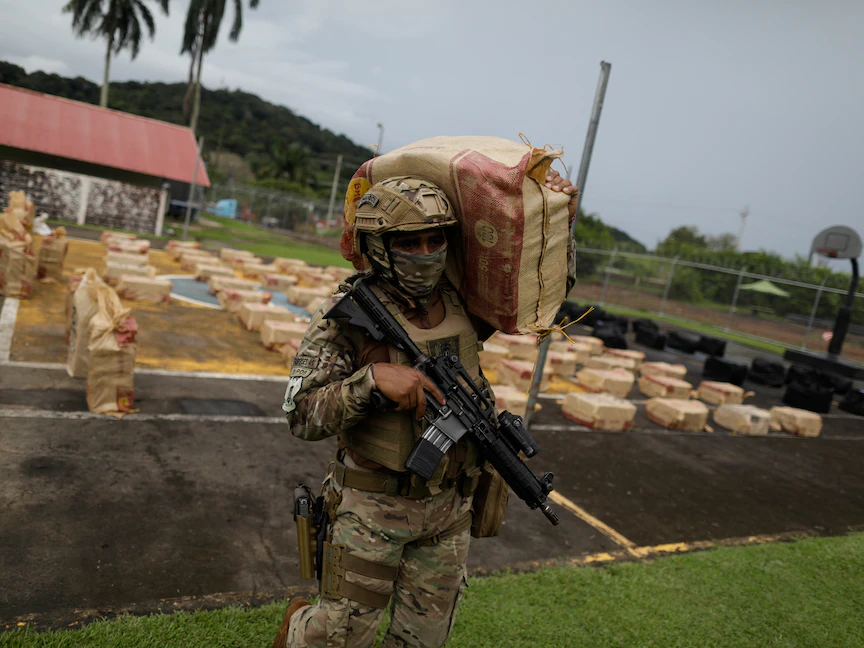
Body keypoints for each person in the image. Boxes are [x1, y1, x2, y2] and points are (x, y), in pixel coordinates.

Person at [275, 171, 577, 648]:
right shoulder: (347, 316)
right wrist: (371, 382)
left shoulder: (463, 301)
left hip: (450, 511)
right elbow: (300, 414)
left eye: (435, 241)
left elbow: (542, 287)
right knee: (339, 637)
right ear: (377, 247)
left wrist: (554, 214)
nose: (425, 255)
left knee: (424, 640)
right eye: (409, 243)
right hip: (372, 508)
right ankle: (298, 626)